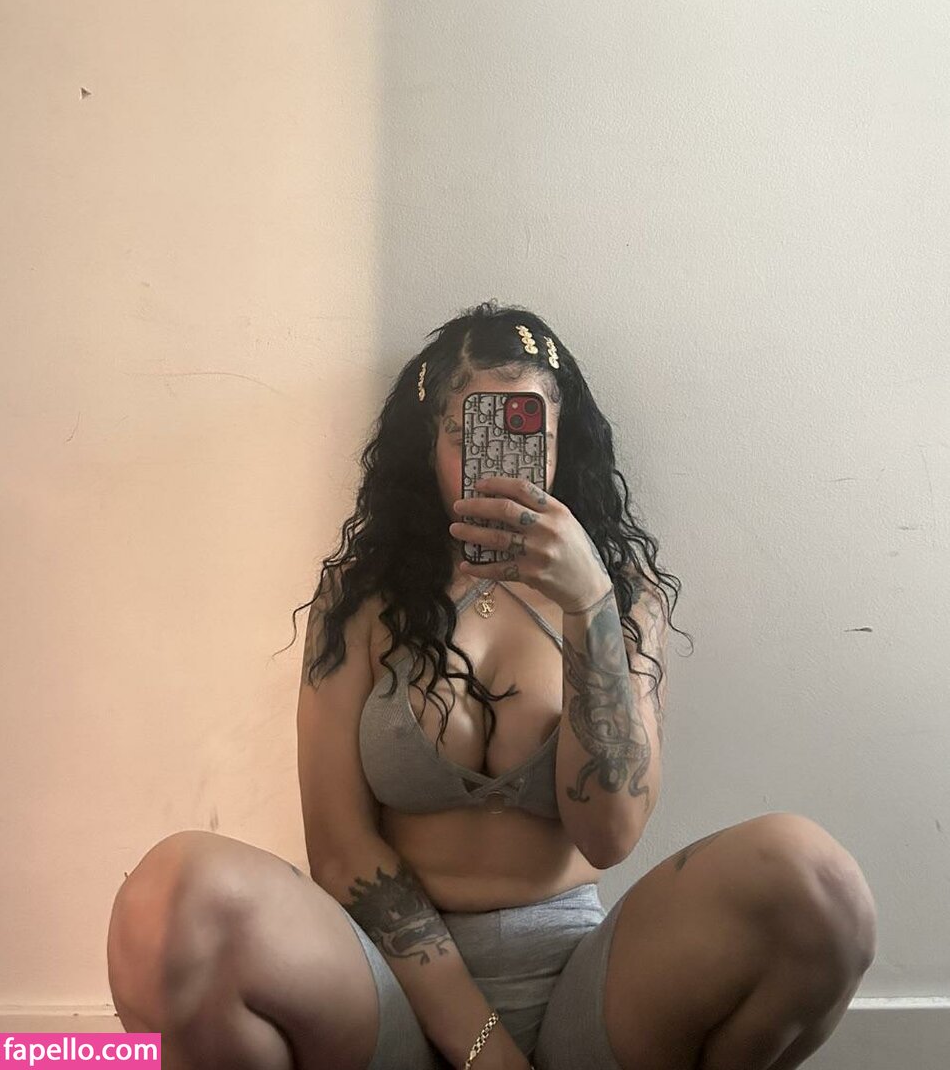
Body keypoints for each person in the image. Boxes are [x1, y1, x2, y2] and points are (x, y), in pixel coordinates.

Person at [107, 300, 876, 1070]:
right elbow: (340, 850)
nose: (505, 463)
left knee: (815, 883)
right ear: (430, 441)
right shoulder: (362, 595)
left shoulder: (620, 594)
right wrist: (488, 1053)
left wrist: (588, 604)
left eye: (530, 432)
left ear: (563, 440)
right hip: (388, 991)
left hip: (583, 986)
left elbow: (609, 835)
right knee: (172, 896)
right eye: (469, 434)